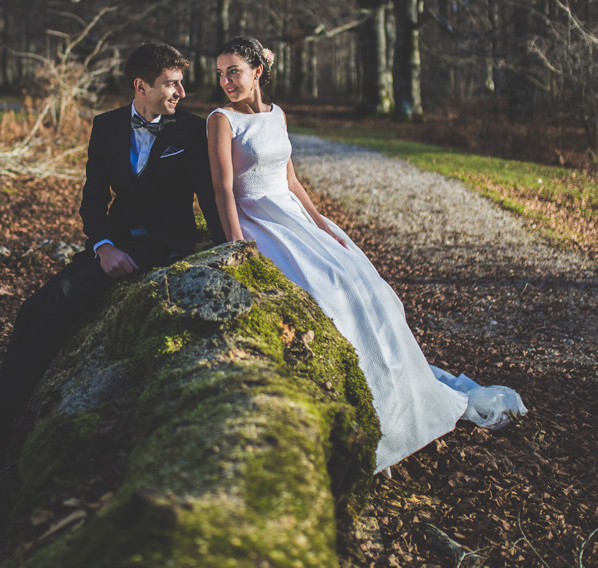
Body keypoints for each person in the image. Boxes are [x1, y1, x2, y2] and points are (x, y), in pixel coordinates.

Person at [206, 36, 525, 473]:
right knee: (326, 294)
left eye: (234, 71)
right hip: (260, 220)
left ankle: (396, 397)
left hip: (295, 215)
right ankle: (359, 408)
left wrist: (323, 226)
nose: (225, 81)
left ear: (257, 72)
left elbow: (293, 181)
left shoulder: (276, 114)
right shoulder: (221, 120)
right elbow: (223, 188)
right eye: (220, 73)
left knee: (365, 287)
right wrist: (239, 244)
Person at [0, 42, 226, 454]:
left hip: (161, 246)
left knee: (64, 297)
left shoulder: (192, 130)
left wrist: (227, 248)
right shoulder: (106, 127)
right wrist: (103, 244)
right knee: (31, 307)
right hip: (116, 242)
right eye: (170, 84)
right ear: (140, 86)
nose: (181, 92)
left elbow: (211, 195)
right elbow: (93, 199)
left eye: (181, 83)